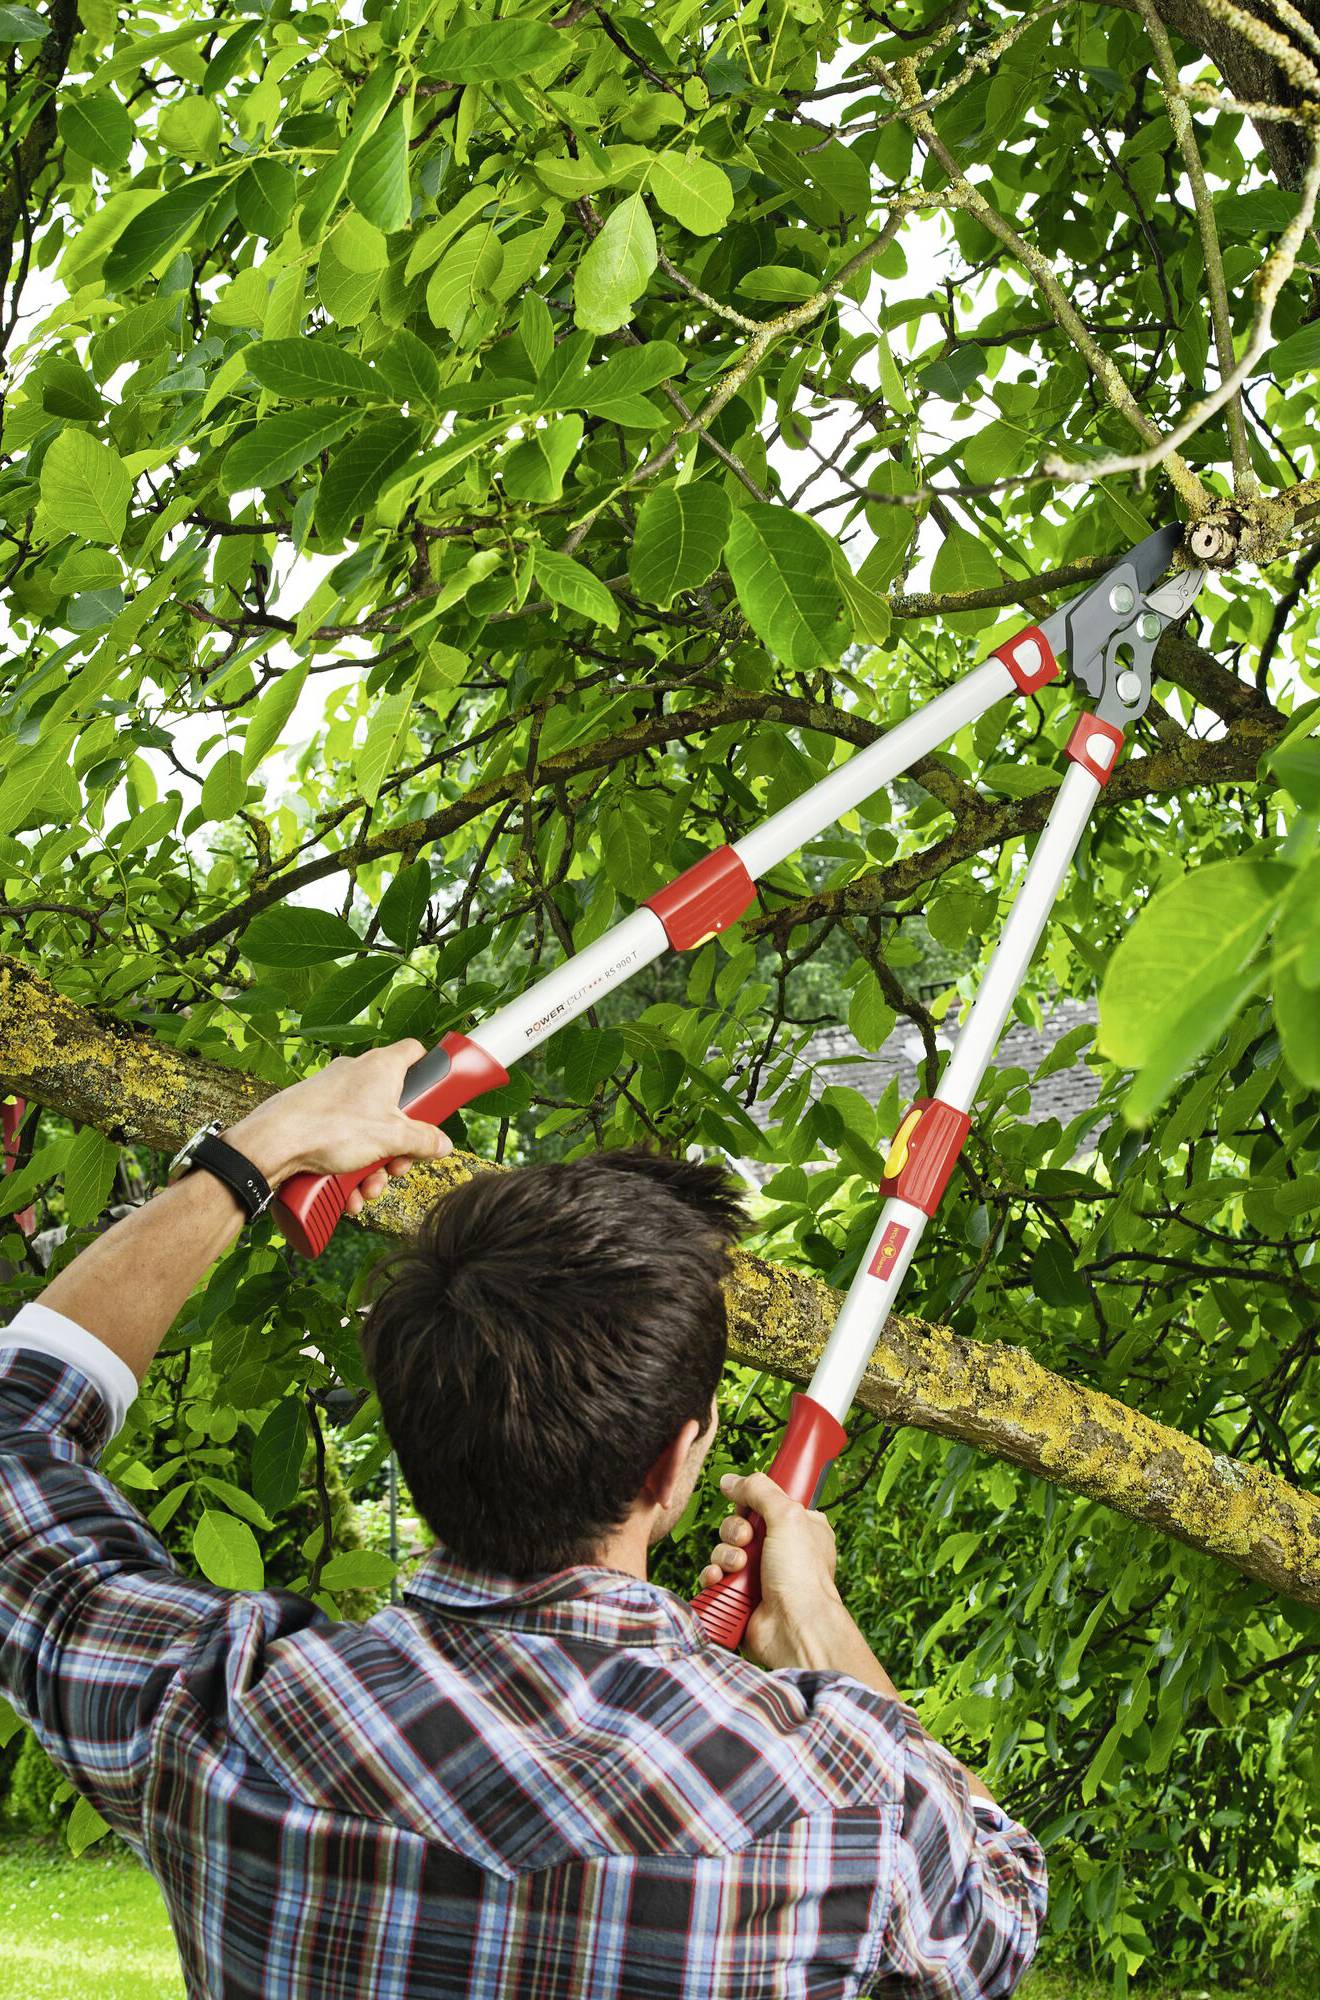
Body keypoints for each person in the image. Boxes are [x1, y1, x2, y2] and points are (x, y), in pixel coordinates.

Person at [0, 1039, 1045, 1997]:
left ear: (410, 1433)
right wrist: (816, 1623)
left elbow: (15, 1436)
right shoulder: (848, 1806)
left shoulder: (224, 1716)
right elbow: (1000, 1905)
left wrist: (262, 1145)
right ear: (678, 1458)